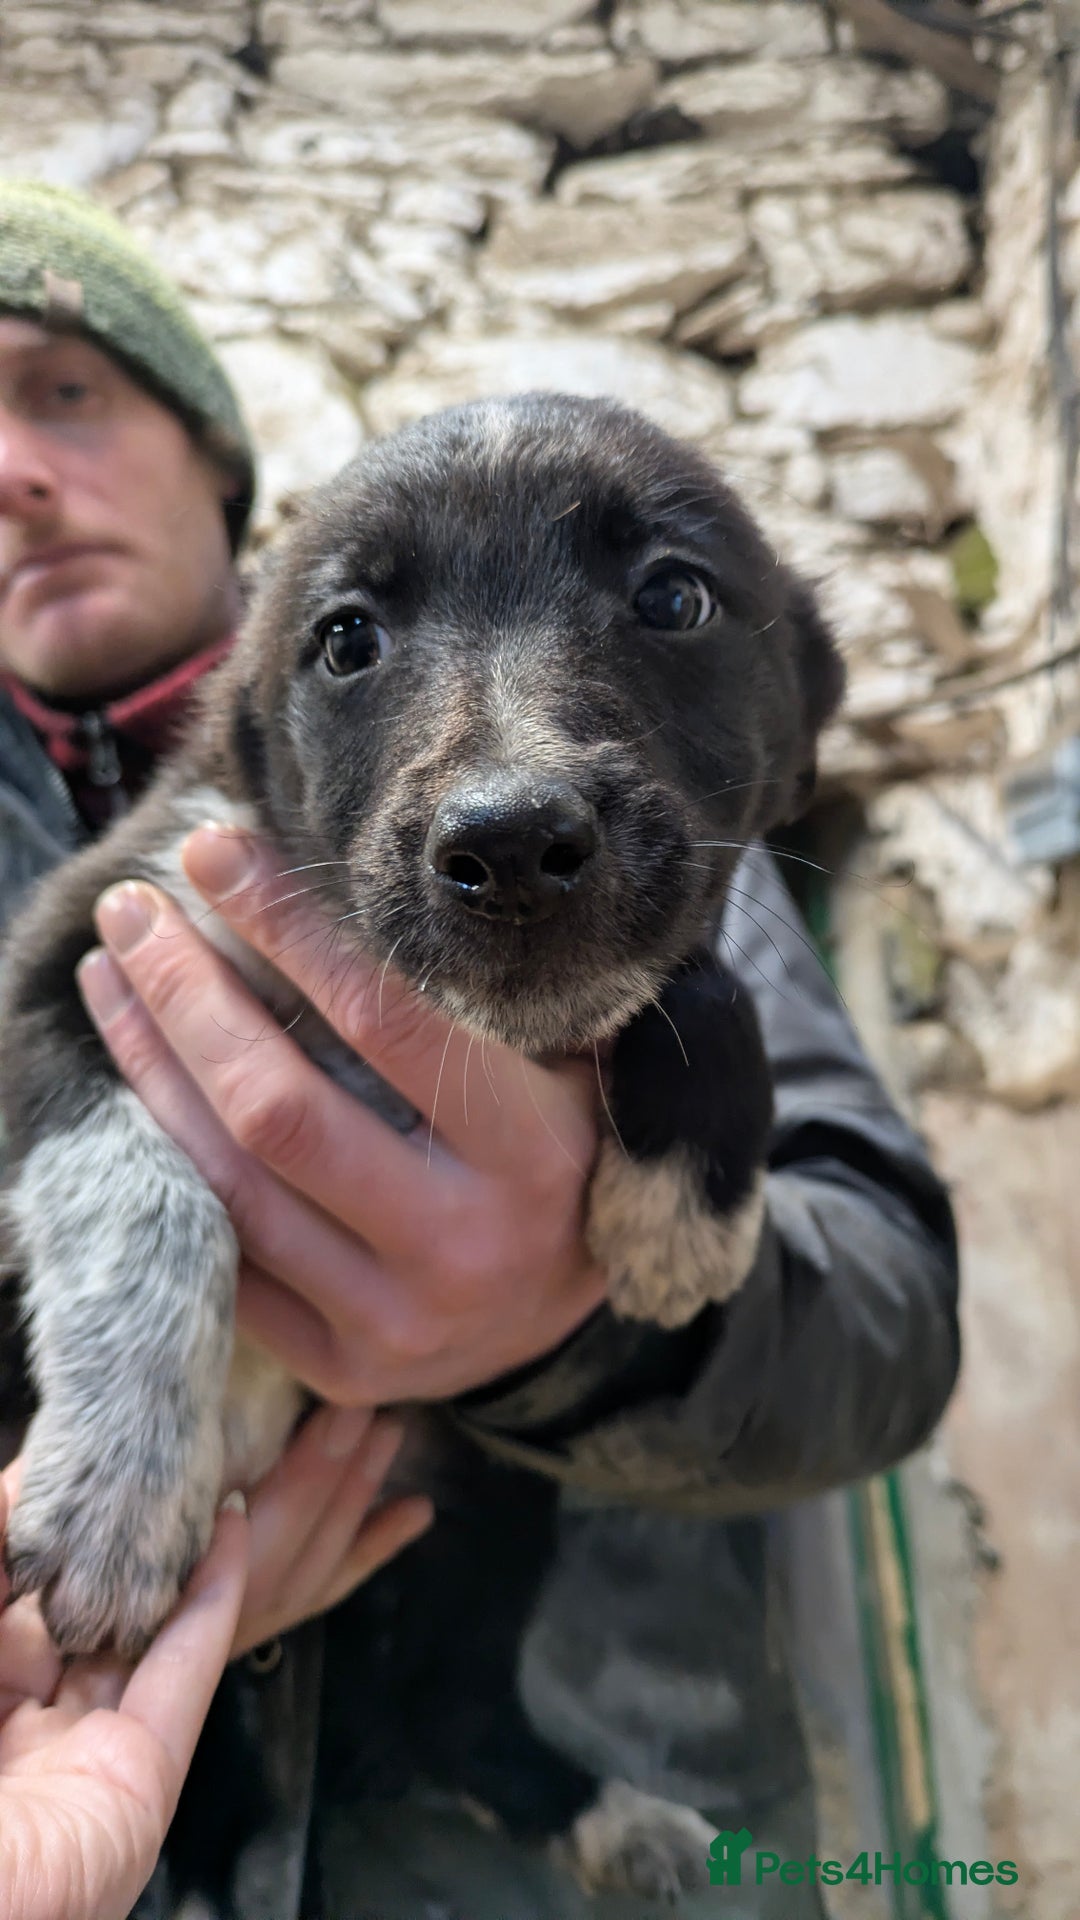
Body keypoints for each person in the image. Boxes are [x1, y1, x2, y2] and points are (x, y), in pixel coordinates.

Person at [0, 180, 960, 1920]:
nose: (12, 469)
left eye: (63, 390)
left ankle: (509, 1775)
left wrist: (566, 1331)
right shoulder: (222, 828)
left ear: (217, 457)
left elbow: (894, 1318)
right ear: (271, 737)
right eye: (355, 646)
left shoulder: (694, 868)